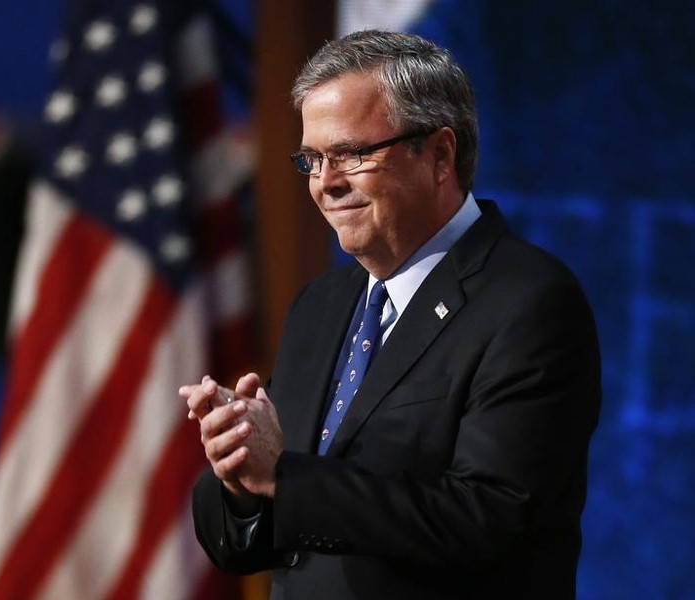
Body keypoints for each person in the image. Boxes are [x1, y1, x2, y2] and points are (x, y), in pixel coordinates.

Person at [179, 30, 601, 599]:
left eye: (351, 153)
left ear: (440, 155)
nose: (326, 182)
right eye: (312, 159)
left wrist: (283, 476)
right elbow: (250, 542)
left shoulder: (529, 302)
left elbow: (488, 520)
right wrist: (242, 478)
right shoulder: (319, 307)